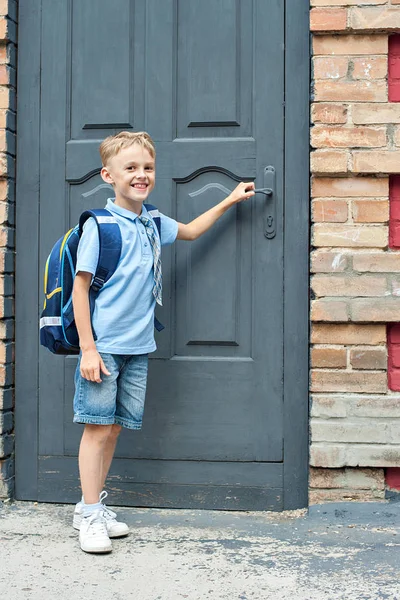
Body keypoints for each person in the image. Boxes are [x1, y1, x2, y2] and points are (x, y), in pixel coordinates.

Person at [72, 131, 255, 553]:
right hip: (103, 348)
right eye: (130, 168)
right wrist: (88, 348)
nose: (141, 175)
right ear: (108, 175)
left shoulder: (152, 222)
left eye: (147, 168)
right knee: (96, 430)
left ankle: (91, 507)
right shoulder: (100, 226)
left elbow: (189, 231)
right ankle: (87, 513)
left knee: (115, 429)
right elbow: (80, 291)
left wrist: (229, 199)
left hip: (138, 347)